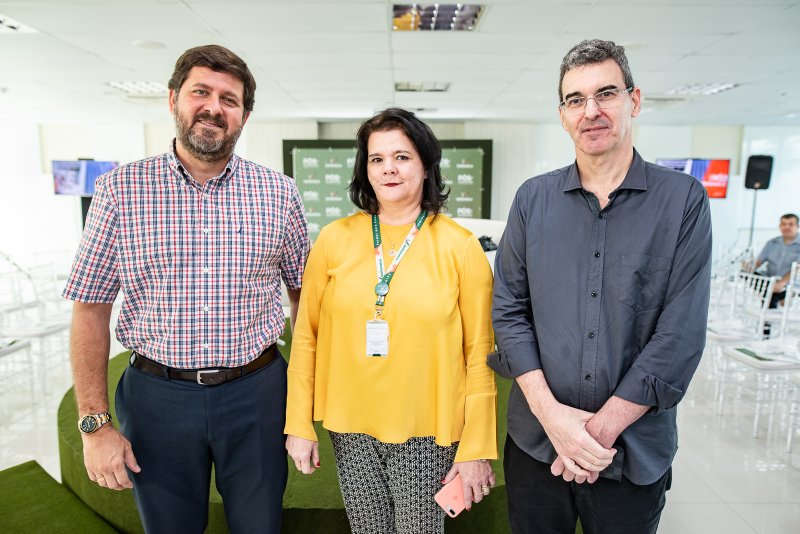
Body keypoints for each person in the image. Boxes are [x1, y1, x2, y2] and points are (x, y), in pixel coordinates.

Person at [63, 45, 309, 533]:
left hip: (258, 393)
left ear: (243, 115)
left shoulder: (279, 193)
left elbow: (305, 298)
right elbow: (90, 310)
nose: (214, 107)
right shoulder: (120, 190)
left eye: (229, 99)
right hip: (157, 398)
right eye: (201, 92)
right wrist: (94, 424)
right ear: (174, 99)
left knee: (260, 526)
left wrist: (303, 402)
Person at [489, 39, 712, 533]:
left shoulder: (683, 202)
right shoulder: (533, 200)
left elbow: (680, 334)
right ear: (563, 115)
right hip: (536, 445)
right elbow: (508, 310)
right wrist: (555, 422)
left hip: (631, 451)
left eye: (605, 94)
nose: (591, 111)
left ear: (634, 100)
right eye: (575, 100)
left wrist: (590, 438)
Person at [285, 108, 497, 534]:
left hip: (428, 430)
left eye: (401, 156)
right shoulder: (334, 239)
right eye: (377, 158)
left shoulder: (460, 247)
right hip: (350, 425)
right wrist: (298, 423)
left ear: (425, 164)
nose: (388, 169)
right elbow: (305, 337)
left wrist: (476, 447)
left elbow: (480, 354)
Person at [755, 213, 800, 308]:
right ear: (780, 226)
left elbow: (797, 268)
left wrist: (781, 283)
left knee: (772, 294)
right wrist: (749, 266)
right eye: (783, 224)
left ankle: (782, 300)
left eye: (790, 224)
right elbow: (758, 262)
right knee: (749, 274)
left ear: (798, 226)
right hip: (770, 283)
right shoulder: (771, 243)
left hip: (792, 286)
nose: (786, 227)